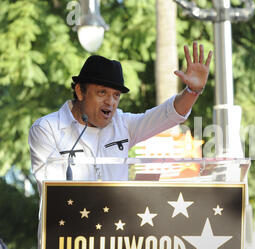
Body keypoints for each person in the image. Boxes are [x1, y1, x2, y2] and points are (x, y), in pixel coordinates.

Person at [29, 42, 212, 195]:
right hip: (67, 236)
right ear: (80, 91)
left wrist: (192, 92)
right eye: (102, 93)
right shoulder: (47, 129)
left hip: (115, 235)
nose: (110, 102)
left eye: (116, 95)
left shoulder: (123, 124)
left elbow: (167, 115)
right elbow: (52, 194)